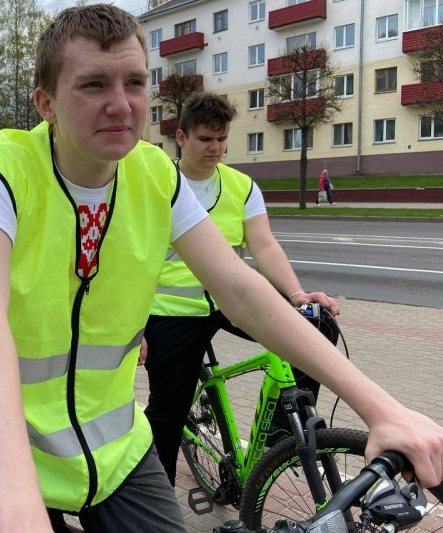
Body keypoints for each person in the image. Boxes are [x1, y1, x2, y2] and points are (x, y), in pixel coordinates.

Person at [0, 5, 443, 533]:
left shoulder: (153, 174)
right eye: (93, 85)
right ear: (47, 104)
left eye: (134, 82)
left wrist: (381, 409)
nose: (120, 104)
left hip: (111, 454)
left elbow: (238, 288)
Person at [143, 92, 340, 486]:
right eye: (205, 139)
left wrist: (297, 295)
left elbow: (263, 245)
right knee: (167, 415)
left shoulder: (241, 186)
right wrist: (134, 327)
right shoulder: (154, 184)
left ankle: (281, 436)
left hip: (230, 302)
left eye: (221, 139)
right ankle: (155, 501)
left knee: (317, 324)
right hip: (170, 313)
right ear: (181, 137)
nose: (215, 148)